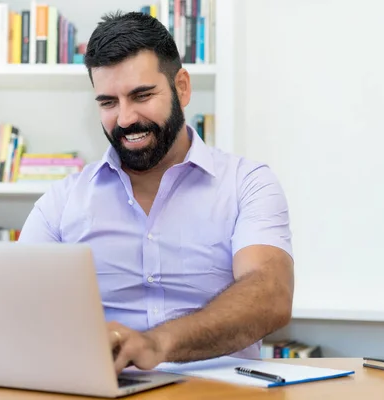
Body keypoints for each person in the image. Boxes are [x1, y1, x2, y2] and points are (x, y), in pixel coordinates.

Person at [17, 11, 294, 375]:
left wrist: (157, 344)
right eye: (108, 103)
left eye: (142, 95)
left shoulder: (248, 184)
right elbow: (17, 307)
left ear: (182, 87)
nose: (127, 118)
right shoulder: (61, 203)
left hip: (221, 394)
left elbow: (271, 295)